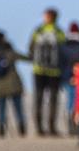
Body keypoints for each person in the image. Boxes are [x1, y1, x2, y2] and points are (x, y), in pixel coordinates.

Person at [29, 7, 68, 136]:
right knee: (53, 100)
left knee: (38, 99)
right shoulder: (59, 32)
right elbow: (64, 51)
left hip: (38, 70)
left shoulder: (38, 31)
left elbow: (31, 48)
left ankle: (39, 128)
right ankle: (51, 127)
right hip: (54, 71)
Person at [0, 29, 27, 137]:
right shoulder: (10, 52)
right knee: (18, 108)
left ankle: (1, 128)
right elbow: (26, 58)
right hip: (13, 85)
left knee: (1, 109)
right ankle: (21, 126)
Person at [60, 22, 79, 136]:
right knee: (78, 102)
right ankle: (75, 126)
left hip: (66, 77)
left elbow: (60, 63)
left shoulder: (63, 45)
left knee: (71, 101)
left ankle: (72, 126)